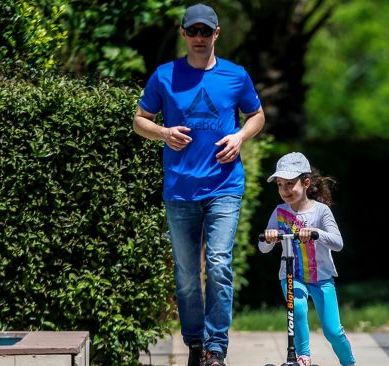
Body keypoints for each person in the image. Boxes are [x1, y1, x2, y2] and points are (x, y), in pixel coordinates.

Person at [132, 3, 265, 366]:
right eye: (194, 31)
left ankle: (216, 347)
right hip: (179, 190)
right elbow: (139, 120)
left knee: (219, 264)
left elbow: (257, 115)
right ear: (183, 33)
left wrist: (240, 138)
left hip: (225, 186)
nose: (200, 38)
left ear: (217, 34)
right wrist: (163, 132)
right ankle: (195, 342)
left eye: (207, 31)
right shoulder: (164, 76)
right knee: (188, 274)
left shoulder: (236, 76)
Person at [259, 152, 357, 366]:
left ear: (305, 183)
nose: (284, 190)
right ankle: (303, 357)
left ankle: (349, 363)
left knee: (333, 331)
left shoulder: (321, 211)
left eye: (289, 184)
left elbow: (338, 243)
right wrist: (269, 237)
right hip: (292, 275)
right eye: (280, 184)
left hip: (321, 278)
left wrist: (315, 232)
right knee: (299, 309)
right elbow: (263, 247)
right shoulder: (279, 212)